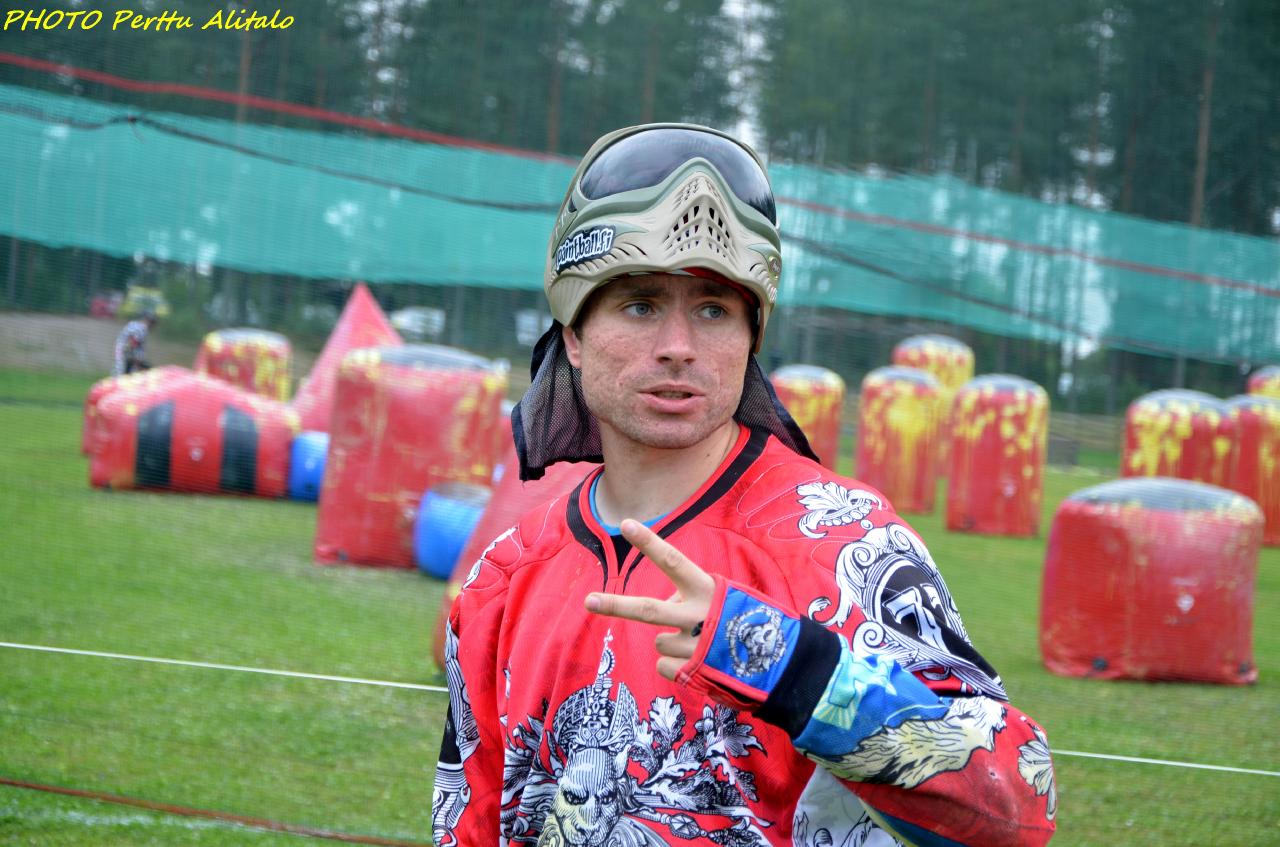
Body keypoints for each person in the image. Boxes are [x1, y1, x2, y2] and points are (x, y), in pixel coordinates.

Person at [433, 124, 1057, 846]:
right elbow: (467, 825)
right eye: (640, 305)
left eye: (714, 310)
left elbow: (1015, 806)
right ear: (573, 335)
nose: (678, 347)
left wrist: (787, 665)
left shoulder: (842, 546)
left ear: (751, 338)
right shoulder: (503, 579)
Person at [112, 310, 157, 376]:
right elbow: (133, 343)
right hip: (127, 353)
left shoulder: (133, 324)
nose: (152, 325)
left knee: (120, 371)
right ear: (147, 320)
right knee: (124, 373)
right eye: (152, 322)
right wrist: (137, 360)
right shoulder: (142, 328)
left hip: (122, 350)